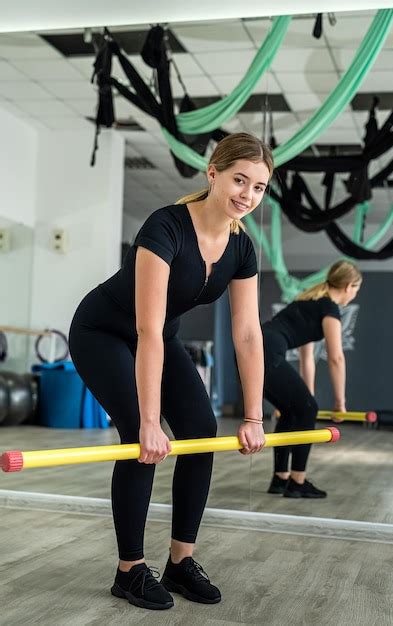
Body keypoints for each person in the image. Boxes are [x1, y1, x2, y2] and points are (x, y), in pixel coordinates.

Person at [69, 133, 272, 611]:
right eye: (239, 179)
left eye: (259, 187)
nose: (247, 194)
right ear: (213, 174)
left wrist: (253, 416)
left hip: (157, 336)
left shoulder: (242, 249)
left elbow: (247, 335)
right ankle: (130, 571)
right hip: (103, 331)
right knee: (142, 441)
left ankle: (182, 562)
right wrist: (146, 421)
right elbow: (148, 328)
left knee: (201, 431)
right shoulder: (166, 227)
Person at [263, 260, 362, 499]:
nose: (356, 293)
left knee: (294, 410)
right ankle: (298, 481)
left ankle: (280, 478)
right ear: (349, 286)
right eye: (357, 289)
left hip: (257, 348)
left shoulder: (308, 300)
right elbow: (336, 357)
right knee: (305, 409)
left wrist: (307, 397)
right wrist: (340, 402)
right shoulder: (329, 309)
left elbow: (307, 357)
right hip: (266, 352)